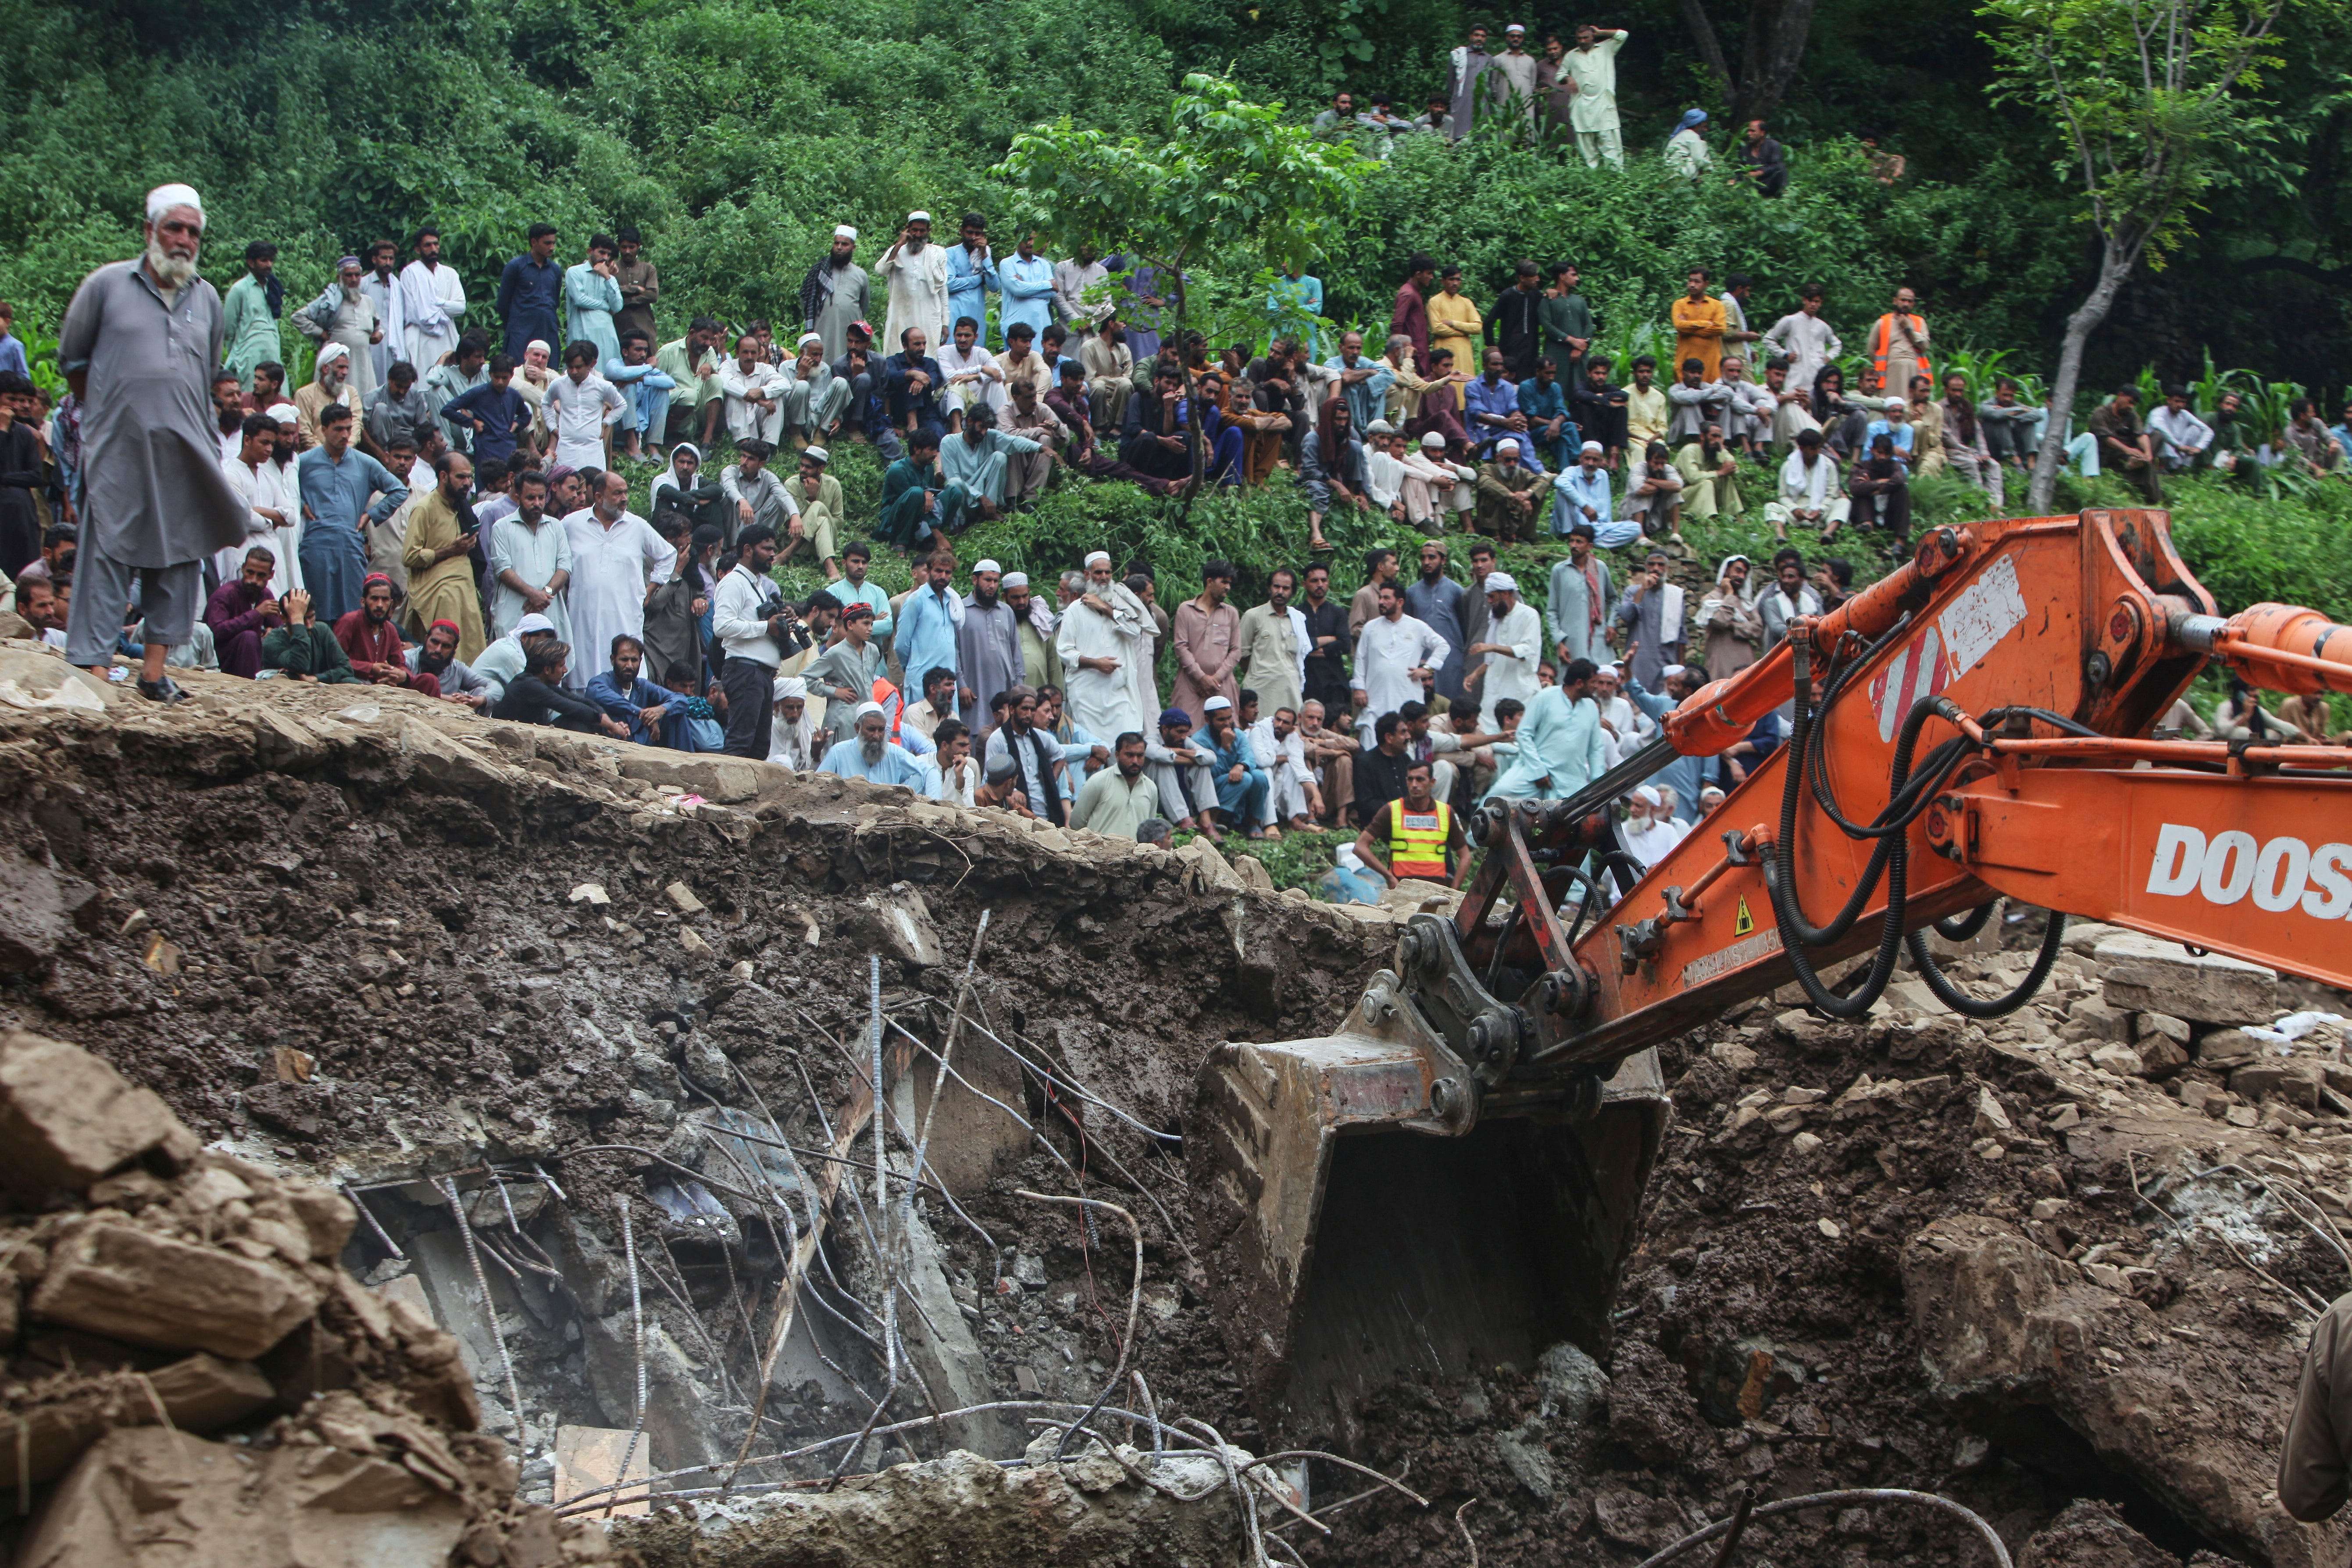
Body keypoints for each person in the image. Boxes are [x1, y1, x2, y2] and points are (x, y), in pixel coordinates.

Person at [52, 185, 250, 696]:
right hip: (118, 446)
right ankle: (94, 664)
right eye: (174, 228)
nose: (184, 240)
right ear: (150, 231)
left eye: (193, 232)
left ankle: (155, 673)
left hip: (187, 452)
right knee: (107, 551)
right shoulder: (106, 285)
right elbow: (73, 363)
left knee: (180, 559)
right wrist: (115, 409)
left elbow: (206, 372)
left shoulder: (207, 297)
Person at [296, 403, 407, 625]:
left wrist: (371, 515)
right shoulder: (304, 462)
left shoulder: (364, 463)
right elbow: (283, 487)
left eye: (348, 428)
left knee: (354, 611)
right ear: (323, 429)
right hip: (315, 542)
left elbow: (399, 490)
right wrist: (300, 504)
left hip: (350, 543)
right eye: (338, 429)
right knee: (315, 609)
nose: (345, 435)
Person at [564, 469, 671, 692]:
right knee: (583, 671)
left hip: (625, 613)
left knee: (625, 677)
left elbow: (668, 555)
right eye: (617, 493)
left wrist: (650, 590)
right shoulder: (571, 524)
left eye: (626, 493)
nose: (624, 499)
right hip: (582, 614)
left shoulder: (637, 526)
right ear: (599, 496)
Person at [401, 450, 485, 660]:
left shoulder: (463, 507)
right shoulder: (424, 508)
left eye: (470, 477)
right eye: (461, 477)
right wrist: (450, 551)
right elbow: (410, 556)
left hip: (465, 587)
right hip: (437, 590)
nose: (467, 483)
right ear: (443, 476)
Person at [1487, 658, 1604, 800]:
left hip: (1571, 779)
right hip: (1533, 771)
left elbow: (1596, 748)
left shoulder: (1591, 708)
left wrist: (1598, 782)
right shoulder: (1545, 698)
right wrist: (1538, 770)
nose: (1596, 687)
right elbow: (1524, 734)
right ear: (1580, 683)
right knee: (1499, 796)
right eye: (1593, 682)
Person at [1351, 581, 1449, 748]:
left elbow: (1443, 646)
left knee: (1406, 740)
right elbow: (1361, 659)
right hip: (1376, 697)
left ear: (1400, 602)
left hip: (1407, 694)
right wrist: (1359, 688)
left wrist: (1426, 669)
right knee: (1372, 739)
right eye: (1380, 598)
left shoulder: (1417, 626)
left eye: (1387, 598)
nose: (1381, 602)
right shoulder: (1370, 628)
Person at [1356, 758, 1469, 885]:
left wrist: (1453, 889)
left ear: (1432, 782)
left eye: (1420, 779)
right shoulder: (1392, 810)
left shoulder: (1446, 812)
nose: (1414, 784)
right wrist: (1389, 876)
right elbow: (1360, 847)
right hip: (1402, 888)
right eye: (1410, 779)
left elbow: (1466, 857)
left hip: (1437, 889)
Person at [1168, 559, 1242, 727]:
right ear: (1210, 582)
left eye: (1230, 583)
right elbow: (1181, 647)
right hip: (1190, 685)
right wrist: (1201, 678)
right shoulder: (1186, 610)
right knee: (1186, 731)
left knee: (1225, 733)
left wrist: (1215, 680)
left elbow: (1236, 650)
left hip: (1223, 684)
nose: (1228, 588)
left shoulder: (1231, 613)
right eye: (1224, 582)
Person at [1232, 568, 1308, 722]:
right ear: (1269, 588)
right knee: (1259, 731)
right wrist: (1261, 672)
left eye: (1286, 588)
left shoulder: (1297, 619)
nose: (1280, 592)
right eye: (1276, 587)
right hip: (1261, 689)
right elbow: (1243, 655)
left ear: (1293, 591)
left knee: (1290, 733)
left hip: (1290, 689)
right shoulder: (1253, 616)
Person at [333, 573, 433, 691]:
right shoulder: (349, 622)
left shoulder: (390, 629)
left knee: (429, 680)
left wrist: (403, 675)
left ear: (391, 603)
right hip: (355, 683)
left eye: (385, 600)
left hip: (385, 685)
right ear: (363, 602)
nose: (380, 605)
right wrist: (370, 668)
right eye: (375, 599)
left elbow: (399, 663)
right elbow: (335, 662)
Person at [1299, 395, 1369, 552]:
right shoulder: (1313, 439)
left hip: (1342, 477)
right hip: (1320, 478)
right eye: (1338, 419)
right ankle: (1316, 535)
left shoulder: (1350, 433)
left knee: (1357, 447)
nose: (1342, 424)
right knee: (1318, 489)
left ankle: (1352, 491)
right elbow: (1310, 470)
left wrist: (1363, 494)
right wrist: (1336, 485)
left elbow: (1362, 464)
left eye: (1345, 419)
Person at [1467, 571, 1540, 719]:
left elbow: (1527, 651)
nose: (1489, 601)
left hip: (1519, 688)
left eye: (1492, 596)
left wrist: (1492, 647)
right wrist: (1476, 674)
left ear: (1506, 593)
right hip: (1495, 687)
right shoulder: (1496, 618)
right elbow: (1494, 659)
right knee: (1487, 729)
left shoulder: (1529, 615)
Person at [203, 546, 285, 678]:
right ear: (243, 569)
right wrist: (256, 614)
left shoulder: (265, 595)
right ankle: (252, 683)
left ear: (271, 575)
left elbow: (280, 626)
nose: (254, 580)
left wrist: (274, 633)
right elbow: (215, 632)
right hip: (221, 658)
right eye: (250, 573)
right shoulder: (226, 594)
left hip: (251, 656)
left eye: (261, 575)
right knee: (249, 638)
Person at [544, 341, 626, 471]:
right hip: (566, 447)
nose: (574, 372)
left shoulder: (602, 386)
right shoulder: (559, 384)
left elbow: (621, 405)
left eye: (579, 367)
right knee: (565, 484)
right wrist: (553, 427)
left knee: (594, 485)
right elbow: (546, 403)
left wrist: (606, 423)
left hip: (593, 447)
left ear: (590, 365)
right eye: (570, 367)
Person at [1404, 539, 1468, 704]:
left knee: (1451, 702)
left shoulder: (1456, 591)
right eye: (1424, 558)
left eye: (1432, 558)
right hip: (1421, 658)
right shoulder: (1411, 593)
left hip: (1451, 658)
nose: (1427, 562)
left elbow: (1464, 627)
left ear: (1443, 560)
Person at [1613, 549, 1685, 690]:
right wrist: (1643, 590)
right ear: (1646, 567)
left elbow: (1682, 634)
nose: (1656, 569)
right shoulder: (1633, 591)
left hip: (1666, 659)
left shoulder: (1675, 595)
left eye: (1660, 565)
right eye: (1652, 565)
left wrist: (1681, 667)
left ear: (1667, 569)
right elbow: (1627, 616)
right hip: (1639, 659)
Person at [1546, 520, 1614, 668]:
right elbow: (1552, 611)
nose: (1574, 545)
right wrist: (1560, 642)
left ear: (1590, 546)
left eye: (1579, 542)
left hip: (1599, 641)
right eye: (1571, 541)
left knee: (1603, 683)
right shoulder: (1560, 571)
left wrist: (1612, 625)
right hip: (1571, 643)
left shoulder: (1600, 568)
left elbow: (1614, 599)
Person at [260, 588, 361, 683]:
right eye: (303, 619)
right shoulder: (273, 641)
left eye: (312, 617)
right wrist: (297, 621)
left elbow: (346, 669)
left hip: (319, 687)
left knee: (351, 682)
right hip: (287, 692)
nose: (308, 625)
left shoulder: (321, 630)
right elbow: (300, 664)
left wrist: (316, 678)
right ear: (283, 619)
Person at [1563, 25, 1630, 168]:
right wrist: (1568, 78)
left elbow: (1623, 35)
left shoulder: (1606, 48)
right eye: (1579, 38)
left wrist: (1601, 32)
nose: (1582, 41)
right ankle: (1593, 178)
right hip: (1582, 106)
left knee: (1610, 143)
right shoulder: (1571, 55)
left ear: (1593, 36)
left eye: (1586, 37)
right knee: (1587, 145)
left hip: (1604, 104)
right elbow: (1560, 75)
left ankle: (1617, 178)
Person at [495, 225, 563, 363]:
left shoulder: (555, 270)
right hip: (521, 330)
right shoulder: (516, 267)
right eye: (547, 243)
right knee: (518, 369)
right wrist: (517, 324)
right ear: (534, 242)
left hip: (547, 328)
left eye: (553, 243)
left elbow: (554, 302)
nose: (552, 247)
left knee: (548, 372)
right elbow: (503, 303)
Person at [1766, 427, 1846, 542]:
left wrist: (1821, 510)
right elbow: (1783, 496)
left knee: (1844, 502)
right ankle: (1780, 536)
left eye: (1819, 448)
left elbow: (1832, 495)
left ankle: (1827, 534)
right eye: (1813, 449)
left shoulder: (1828, 466)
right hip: (1797, 512)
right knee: (1771, 507)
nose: (1818, 453)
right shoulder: (1788, 466)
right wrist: (1795, 509)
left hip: (1821, 512)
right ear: (1802, 448)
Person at [221, 242, 282, 390]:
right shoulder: (239, 289)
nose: (269, 265)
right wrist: (237, 352)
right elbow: (229, 328)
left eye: (271, 260)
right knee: (251, 397)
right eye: (264, 260)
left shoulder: (273, 287)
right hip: (248, 355)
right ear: (251, 262)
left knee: (277, 399)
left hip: (273, 351)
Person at [2088, 384, 2161, 504]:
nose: (2131, 407)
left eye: (2134, 405)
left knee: (2157, 436)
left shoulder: (2132, 415)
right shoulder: (2100, 413)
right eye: (2130, 402)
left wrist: (2148, 454)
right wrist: (2128, 450)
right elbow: (2106, 439)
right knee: (2148, 467)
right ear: (2121, 395)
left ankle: (2137, 462)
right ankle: (2155, 499)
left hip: (2131, 453)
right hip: (2109, 454)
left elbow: (2141, 435)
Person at [1697, 555, 1764, 680]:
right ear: (1727, 571)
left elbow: (1758, 629)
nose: (1742, 577)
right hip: (1721, 663)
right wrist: (1729, 595)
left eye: (1745, 573)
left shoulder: (1746, 603)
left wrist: (1734, 625)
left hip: (1745, 662)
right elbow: (1720, 621)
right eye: (1738, 571)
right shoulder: (1711, 599)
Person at [1847, 431, 1913, 550]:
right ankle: (1867, 524)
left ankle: (1900, 541)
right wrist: (1877, 482)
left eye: (1887, 454)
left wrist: (1878, 490)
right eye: (1880, 452)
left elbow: (1899, 479)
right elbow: (1855, 488)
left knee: (1902, 490)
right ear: (1872, 450)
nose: (1883, 457)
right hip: (1867, 511)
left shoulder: (1895, 466)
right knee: (1862, 491)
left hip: (1888, 513)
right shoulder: (1862, 467)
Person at [409, 617, 492, 711]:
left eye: (446, 646)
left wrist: (480, 699)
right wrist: (450, 700)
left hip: (450, 718)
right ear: (426, 639)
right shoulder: (409, 658)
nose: (438, 650)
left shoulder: (457, 668)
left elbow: (494, 685)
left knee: (481, 691)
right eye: (434, 642)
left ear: (454, 649)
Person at [1866, 287, 1931, 402]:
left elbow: (1925, 346)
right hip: (1891, 370)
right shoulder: (1883, 322)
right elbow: (1871, 349)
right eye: (1903, 300)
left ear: (1914, 304)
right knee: (1891, 403)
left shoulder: (1920, 322)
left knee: (1911, 403)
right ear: (1895, 301)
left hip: (1914, 369)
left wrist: (1908, 329)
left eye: (1910, 301)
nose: (1906, 304)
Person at [1541, 262, 1596, 385]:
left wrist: (1581, 348)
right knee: (1555, 388)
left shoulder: (1580, 301)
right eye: (1573, 275)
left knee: (1581, 389)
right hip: (1557, 354)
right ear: (1562, 276)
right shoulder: (1548, 300)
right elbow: (1547, 326)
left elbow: (1589, 326)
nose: (1577, 278)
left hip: (1580, 355)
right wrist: (1570, 340)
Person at [1757, 548, 1821, 650]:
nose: (1786, 581)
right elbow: (1776, 628)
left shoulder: (1814, 603)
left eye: (1791, 577)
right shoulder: (1771, 603)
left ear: (1802, 580)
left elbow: (1821, 627)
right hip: (1779, 655)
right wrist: (1803, 632)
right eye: (1784, 577)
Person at [1671, 271, 1728, 382]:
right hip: (1686, 360)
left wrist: (1689, 327)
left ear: (1706, 284)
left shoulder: (1717, 305)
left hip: (1711, 362)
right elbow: (1679, 326)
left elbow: (1721, 329)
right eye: (1690, 281)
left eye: (1697, 282)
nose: (1692, 285)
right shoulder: (1680, 304)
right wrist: (1707, 324)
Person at [1624, 441, 1685, 543]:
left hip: (1657, 514)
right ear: (1648, 461)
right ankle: (1641, 537)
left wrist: (1653, 481)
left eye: (1662, 464)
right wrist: (1664, 486)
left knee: (1675, 494)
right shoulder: (1638, 468)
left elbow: (1677, 487)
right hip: (1632, 516)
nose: (1660, 468)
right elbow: (1641, 489)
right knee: (1643, 494)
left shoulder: (1668, 469)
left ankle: (1676, 534)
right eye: (1656, 463)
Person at [2147, 384, 2214, 471]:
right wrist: (2178, 446)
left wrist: (2199, 448)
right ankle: (2161, 468)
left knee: (2196, 430)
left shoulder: (2185, 414)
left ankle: (2182, 469)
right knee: (2160, 433)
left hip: (2179, 450)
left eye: (2183, 402)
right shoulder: (2158, 413)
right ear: (2169, 400)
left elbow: (2208, 431)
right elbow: (2161, 428)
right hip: (2159, 452)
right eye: (2177, 401)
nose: (2180, 405)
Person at [1448, 24, 1495, 141]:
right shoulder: (1459, 56)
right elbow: (1450, 81)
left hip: (1483, 103)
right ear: (1470, 37)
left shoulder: (1490, 59)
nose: (1479, 39)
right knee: (1460, 136)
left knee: (1481, 136)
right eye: (1476, 35)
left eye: (1483, 36)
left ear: (1486, 39)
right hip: (1462, 102)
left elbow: (1491, 82)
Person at [1739, 119, 1788, 196]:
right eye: (1749, 131)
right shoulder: (1745, 150)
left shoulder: (1773, 146)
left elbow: (1776, 166)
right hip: (1754, 186)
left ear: (1762, 133)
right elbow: (1740, 169)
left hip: (1771, 183)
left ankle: (1783, 192)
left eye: (1753, 131)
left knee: (1781, 167)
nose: (1749, 134)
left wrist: (1759, 173)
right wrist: (1735, 180)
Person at [1664, 109, 1711, 176]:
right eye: (1704, 127)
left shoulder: (1680, 136)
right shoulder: (1692, 136)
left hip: (1668, 174)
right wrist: (1711, 170)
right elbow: (1699, 161)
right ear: (1697, 125)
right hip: (1680, 175)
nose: (1706, 130)